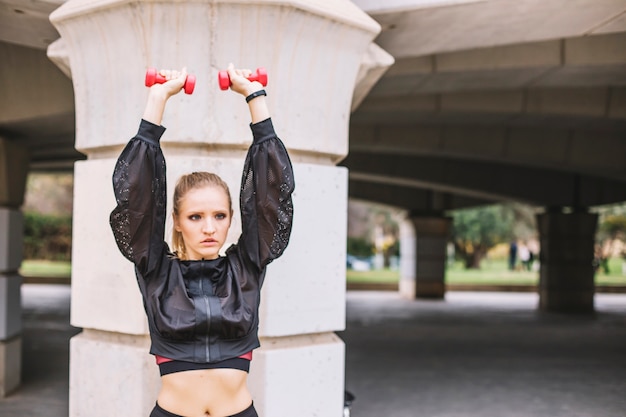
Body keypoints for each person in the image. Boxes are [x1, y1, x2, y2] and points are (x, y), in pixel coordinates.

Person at [109, 65, 295, 417]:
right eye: (195, 217)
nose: (209, 227)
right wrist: (158, 99)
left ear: (231, 220)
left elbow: (270, 196)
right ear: (176, 222)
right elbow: (138, 198)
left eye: (219, 216)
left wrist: (255, 96)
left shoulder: (247, 267)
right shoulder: (156, 270)